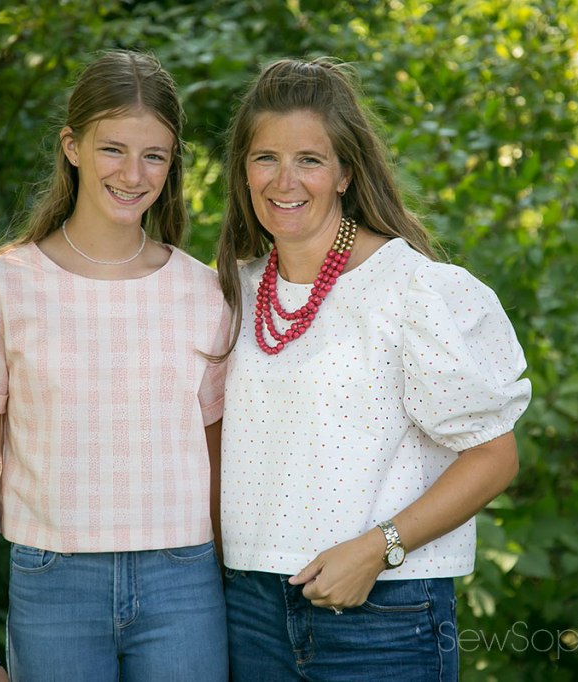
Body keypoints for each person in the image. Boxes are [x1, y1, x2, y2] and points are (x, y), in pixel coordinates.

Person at [215, 57, 532, 681]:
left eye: (309, 159)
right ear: (243, 171)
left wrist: (378, 549)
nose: (284, 180)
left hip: (382, 613)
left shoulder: (412, 289)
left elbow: (495, 457)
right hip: (249, 610)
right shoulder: (235, 290)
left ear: (345, 173)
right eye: (265, 158)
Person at [0, 50, 229, 681]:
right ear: (72, 147)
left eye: (154, 156)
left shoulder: (205, 292)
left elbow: (220, 470)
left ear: (172, 163)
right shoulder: (1, 287)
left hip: (184, 584)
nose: (133, 174)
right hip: (53, 584)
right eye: (112, 149)